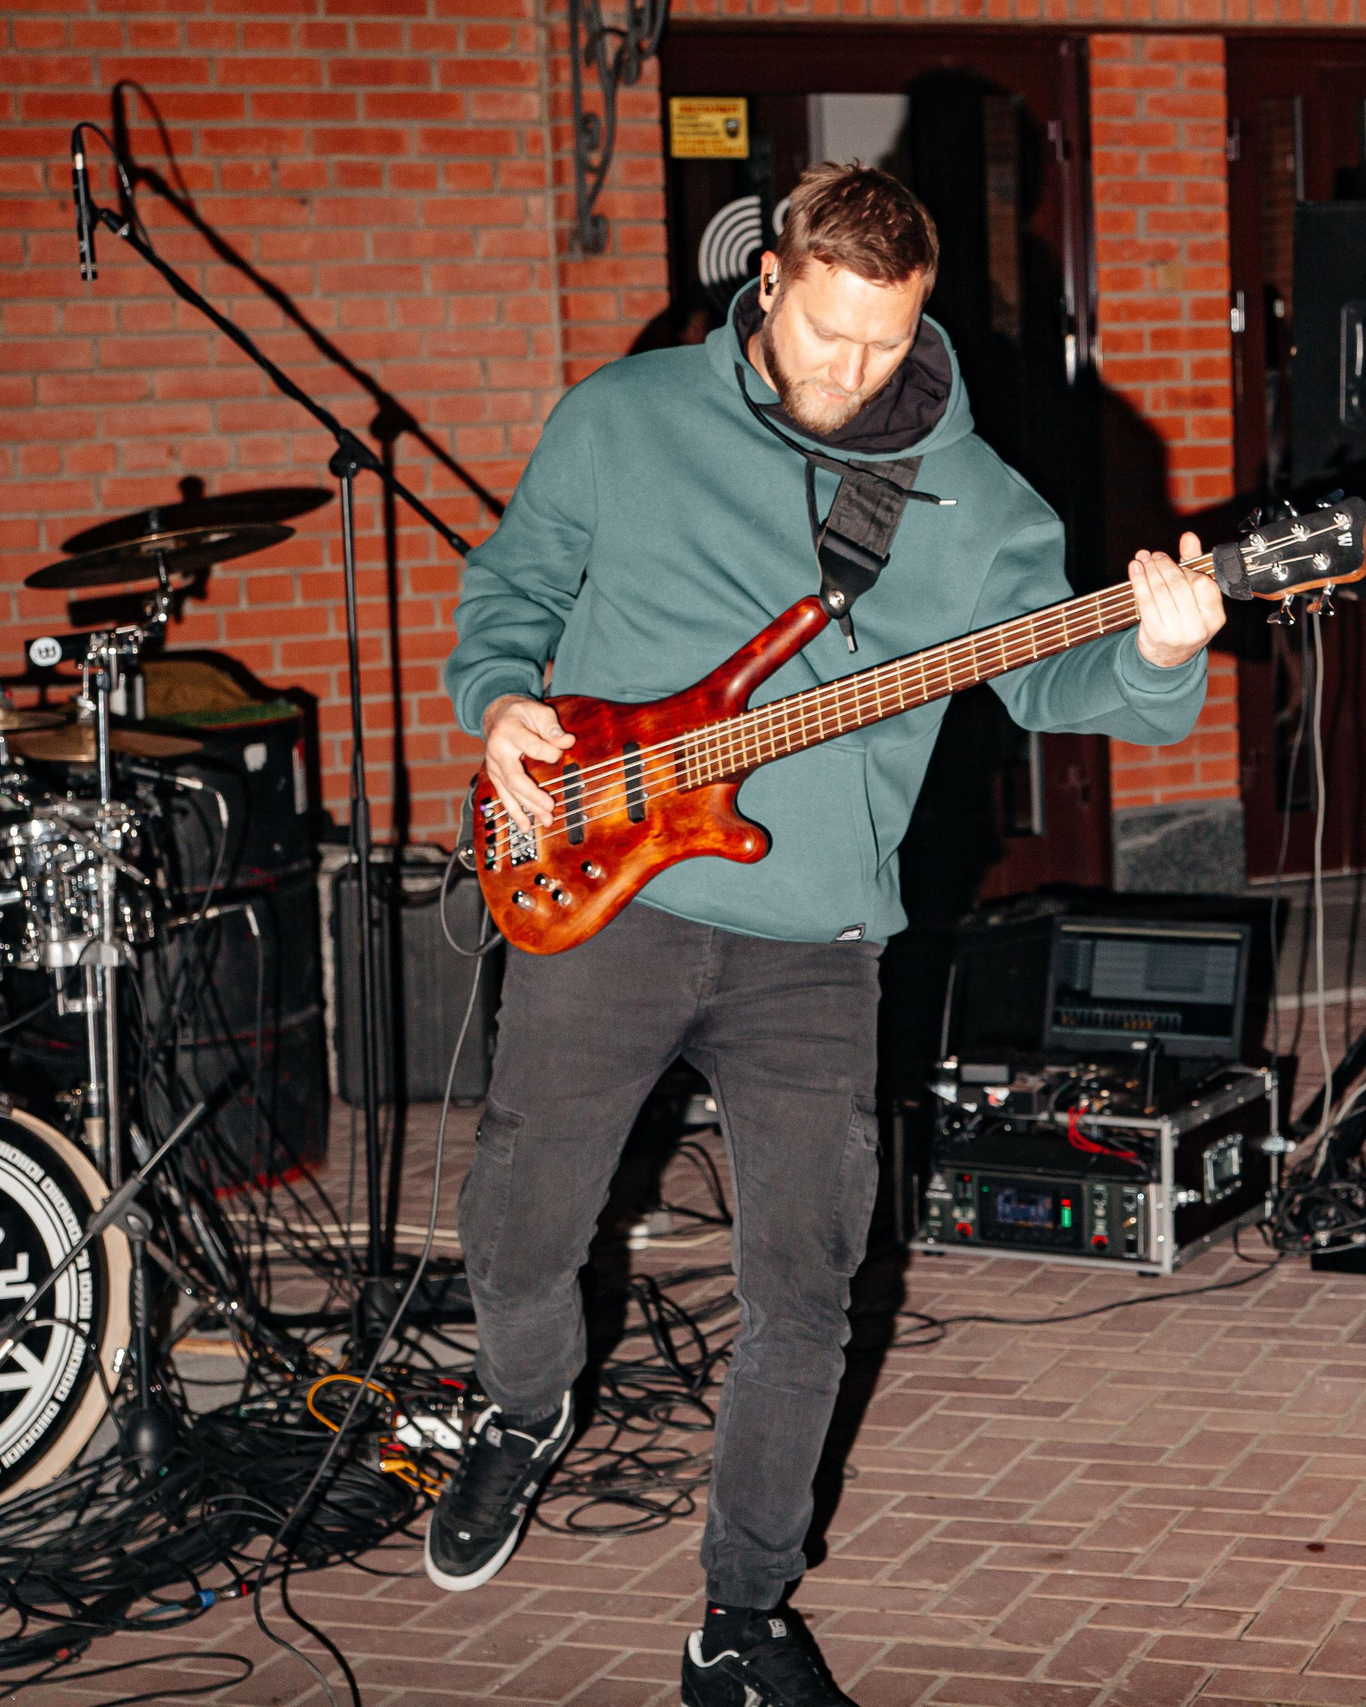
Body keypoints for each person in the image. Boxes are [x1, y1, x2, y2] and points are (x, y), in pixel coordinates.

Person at [438, 164, 1224, 1707]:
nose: (852, 374)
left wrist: (1162, 653)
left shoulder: (978, 500)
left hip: (818, 938)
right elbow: (514, 586)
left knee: (810, 1276)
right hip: (605, 892)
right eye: (827, 334)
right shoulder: (626, 416)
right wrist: (502, 703)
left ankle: (741, 1609)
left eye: (886, 345)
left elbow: (1054, 686)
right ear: (773, 280)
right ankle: (523, 1409)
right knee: (526, 1214)